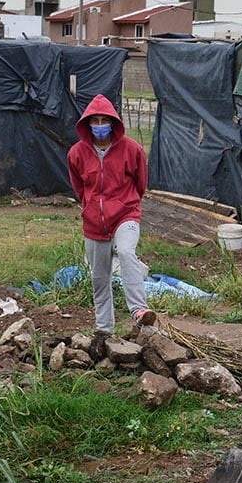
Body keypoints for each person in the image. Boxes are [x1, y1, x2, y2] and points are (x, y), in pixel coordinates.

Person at [67, 94, 156, 336]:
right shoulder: (77, 153)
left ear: (113, 122)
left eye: (103, 120)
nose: (99, 126)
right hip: (94, 223)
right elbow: (79, 187)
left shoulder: (132, 150)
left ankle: (139, 311)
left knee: (127, 252)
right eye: (94, 121)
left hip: (125, 213)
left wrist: (125, 203)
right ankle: (104, 330)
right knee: (99, 278)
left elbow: (140, 184)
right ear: (87, 125)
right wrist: (90, 206)